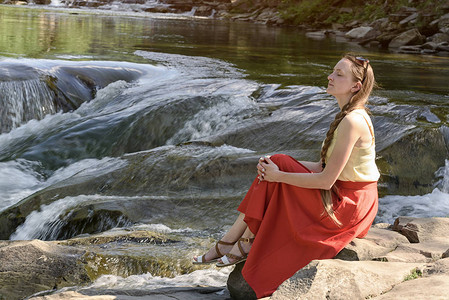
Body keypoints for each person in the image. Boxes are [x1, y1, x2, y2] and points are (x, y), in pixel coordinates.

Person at [192, 53, 380, 299]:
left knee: (278, 168)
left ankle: (235, 243)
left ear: (356, 86)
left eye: (338, 74)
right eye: (333, 71)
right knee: (277, 160)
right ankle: (235, 242)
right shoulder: (348, 115)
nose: (330, 76)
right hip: (344, 196)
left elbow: (325, 180)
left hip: (349, 206)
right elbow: (320, 167)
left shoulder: (353, 121)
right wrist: (275, 168)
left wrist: (278, 176)